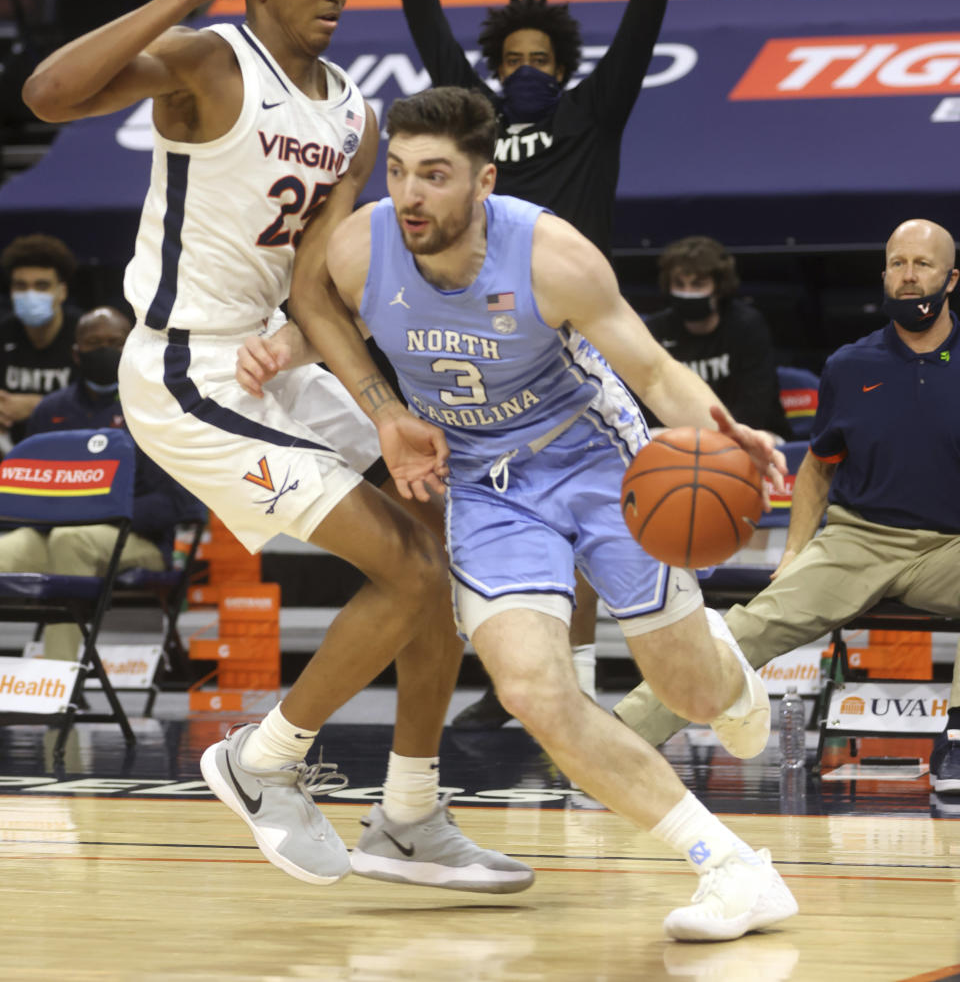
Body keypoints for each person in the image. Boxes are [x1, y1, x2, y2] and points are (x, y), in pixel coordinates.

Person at [23, 0, 531, 893]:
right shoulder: (212, 61)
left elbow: (313, 288)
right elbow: (47, 94)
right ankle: (262, 762)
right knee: (409, 570)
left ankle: (409, 815)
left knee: (439, 542)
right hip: (182, 364)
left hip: (266, 355)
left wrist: (387, 414)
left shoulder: (352, 110)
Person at [244, 86, 798, 941]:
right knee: (534, 688)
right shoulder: (364, 247)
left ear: (484, 181)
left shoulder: (551, 255)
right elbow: (330, 321)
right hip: (486, 485)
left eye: (435, 175)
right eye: (397, 172)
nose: (411, 195)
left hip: (597, 462)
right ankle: (729, 866)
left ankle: (719, 667)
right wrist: (293, 348)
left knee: (688, 690)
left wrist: (721, 428)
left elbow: (651, 373)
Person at [384, 0, 689, 726]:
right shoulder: (471, 123)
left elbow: (643, 19)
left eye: (539, 61)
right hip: (468, 337)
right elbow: (425, 21)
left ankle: (577, 688)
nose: (524, 71)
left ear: (563, 69)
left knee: (585, 506)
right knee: (478, 508)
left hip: (568, 338)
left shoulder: (593, 116)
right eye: (512, 60)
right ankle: (520, 664)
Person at [615, 218, 960, 798]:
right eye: (897, 264)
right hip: (859, 540)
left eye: (922, 265)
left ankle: (954, 745)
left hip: (949, 548)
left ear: (951, 280)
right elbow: (818, 465)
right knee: (750, 624)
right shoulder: (850, 366)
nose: (908, 276)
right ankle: (620, 734)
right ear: (883, 275)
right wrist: (797, 548)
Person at [0, 305, 199, 661]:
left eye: (114, 341)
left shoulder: (158, 408)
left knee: (71, 540)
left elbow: (175, 502)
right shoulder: (50, 410)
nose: (104, 349)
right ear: (76, 353)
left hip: (139, 542)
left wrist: (101, 513)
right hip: (51, 535)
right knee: (24, 547)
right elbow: (29, 493)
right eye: (94, 342)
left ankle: (59, 691)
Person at [641, 236, 790, 438]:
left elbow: (756, 407)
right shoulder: (655, 329)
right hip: (679, 439)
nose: (687, 293)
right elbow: (647, 404)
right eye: (679, 284)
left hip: (750, 434)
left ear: (719, 289)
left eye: (697, 285)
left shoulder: (747, 326)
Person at [0, 234, 80, 446]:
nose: (30, 294)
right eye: (21, 286)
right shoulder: (4, 333)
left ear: (61, 292)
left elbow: (102, 407)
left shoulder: (85, 338)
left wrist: (39, 406)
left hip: (73, 452)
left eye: (42, 286)